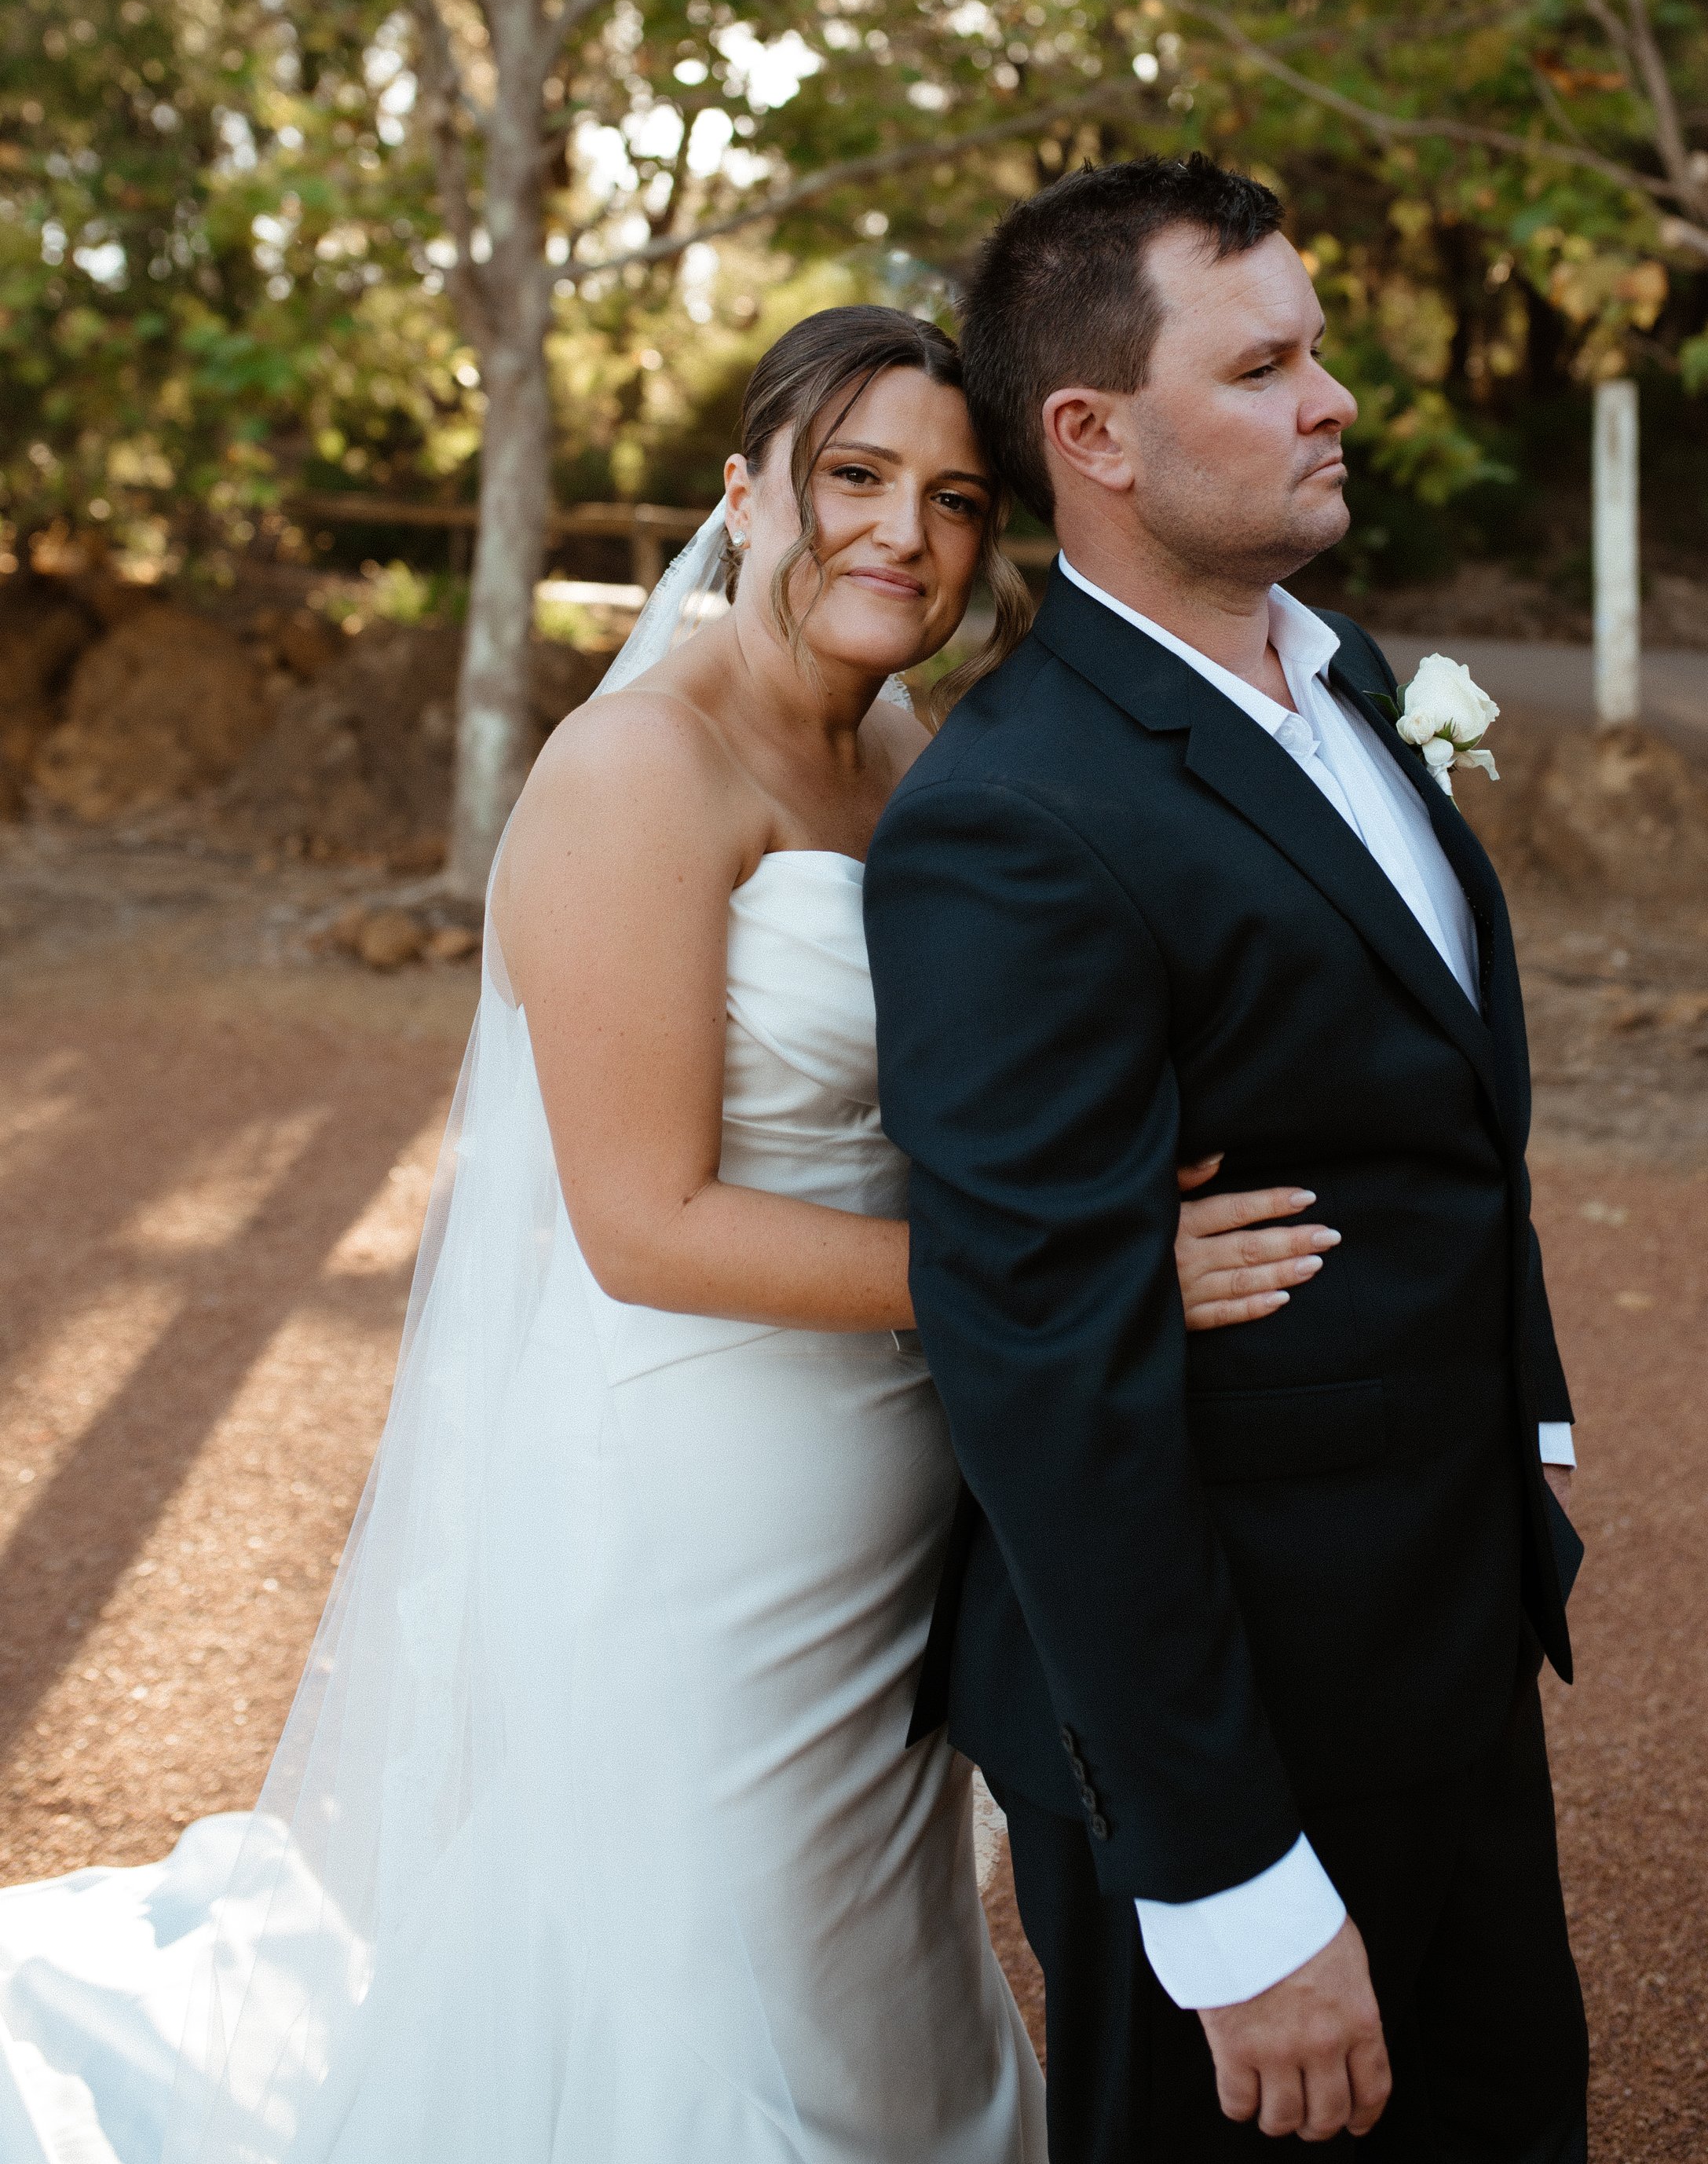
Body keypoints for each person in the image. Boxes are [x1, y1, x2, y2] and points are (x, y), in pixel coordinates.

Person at [0, 304, 1320, 2164]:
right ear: (743, 491)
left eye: (950, 497)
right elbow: (644, 1225)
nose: (902, 534)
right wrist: (1080, 1282)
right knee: (709, 1969)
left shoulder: (894, 742)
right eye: (851, 477)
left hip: (896, 1462)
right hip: (687, 1490)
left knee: (867, 1960)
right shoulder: (635, 771)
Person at [864, 159, 1589, 2161]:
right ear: (1090, 437)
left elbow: (1443, 1093)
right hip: (1233, 1705)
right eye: (1262, 364)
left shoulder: (1344, 675)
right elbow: (1043, 1377)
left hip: (1442, 1618)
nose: (1329, 396)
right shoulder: (1012, 823)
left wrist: (1516, 1417)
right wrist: (1228, 1883)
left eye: (1317, 350)